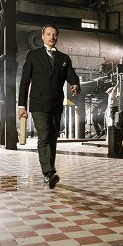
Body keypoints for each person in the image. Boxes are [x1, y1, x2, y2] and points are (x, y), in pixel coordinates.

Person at [18, 24, 81, 189]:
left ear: (57, 37)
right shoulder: (32, 55)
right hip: (38, 104)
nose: (51, 37)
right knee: (44, 136)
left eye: (54, 35)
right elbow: (25, 81)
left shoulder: (64, 58)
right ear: (42, 36)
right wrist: (21, 105)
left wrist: (75, 83)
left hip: (56, 104)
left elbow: (71, 74)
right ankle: (49, 172)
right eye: (48, 34)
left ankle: (48, 175)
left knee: (52, 138)